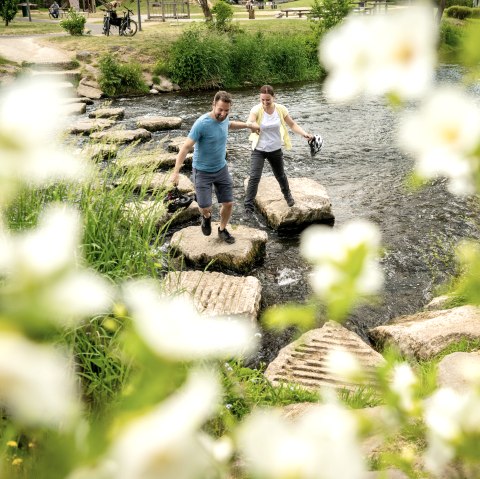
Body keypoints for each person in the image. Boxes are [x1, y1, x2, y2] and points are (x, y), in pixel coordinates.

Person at [171, 91, 259, 245]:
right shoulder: (201, 123)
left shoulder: (224, 118)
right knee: (205, 207)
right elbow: (185, 148)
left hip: (221, 169)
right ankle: (205, 217)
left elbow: (229, 124)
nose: (223, 114)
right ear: (213, 105)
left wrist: (248, 125)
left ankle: (222, 229)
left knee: (228, 203)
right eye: (220, 110)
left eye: (227, 111)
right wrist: (176, 172)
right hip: (202, 171)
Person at [244, 84, 313, 215]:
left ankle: (288, 197)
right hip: (258, 149)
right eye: (262, 100)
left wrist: (304, 134)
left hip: (275, 149)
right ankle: (248, 206)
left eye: (267, 100)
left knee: (280, 175)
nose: (265, 102)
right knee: (254, 177)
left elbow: (292, 124)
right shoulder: (256, 109)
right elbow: (250, 122)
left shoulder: (281, 109)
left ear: (274, 97)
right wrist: (253, 126)